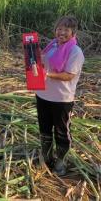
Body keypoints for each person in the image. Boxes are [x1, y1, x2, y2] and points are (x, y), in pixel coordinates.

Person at [36, 16, 84, 176]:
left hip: (61, 99)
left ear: (73, 32)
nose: (61, 32)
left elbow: (69, 75)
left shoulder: (75, 51)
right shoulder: (52, 46)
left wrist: (47, 75)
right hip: (43, 95)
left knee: (62, 131)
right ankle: (47, 157)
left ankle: (61, 160)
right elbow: (41, 62)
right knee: (44, 129)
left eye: (66, 29)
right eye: (59, 28)